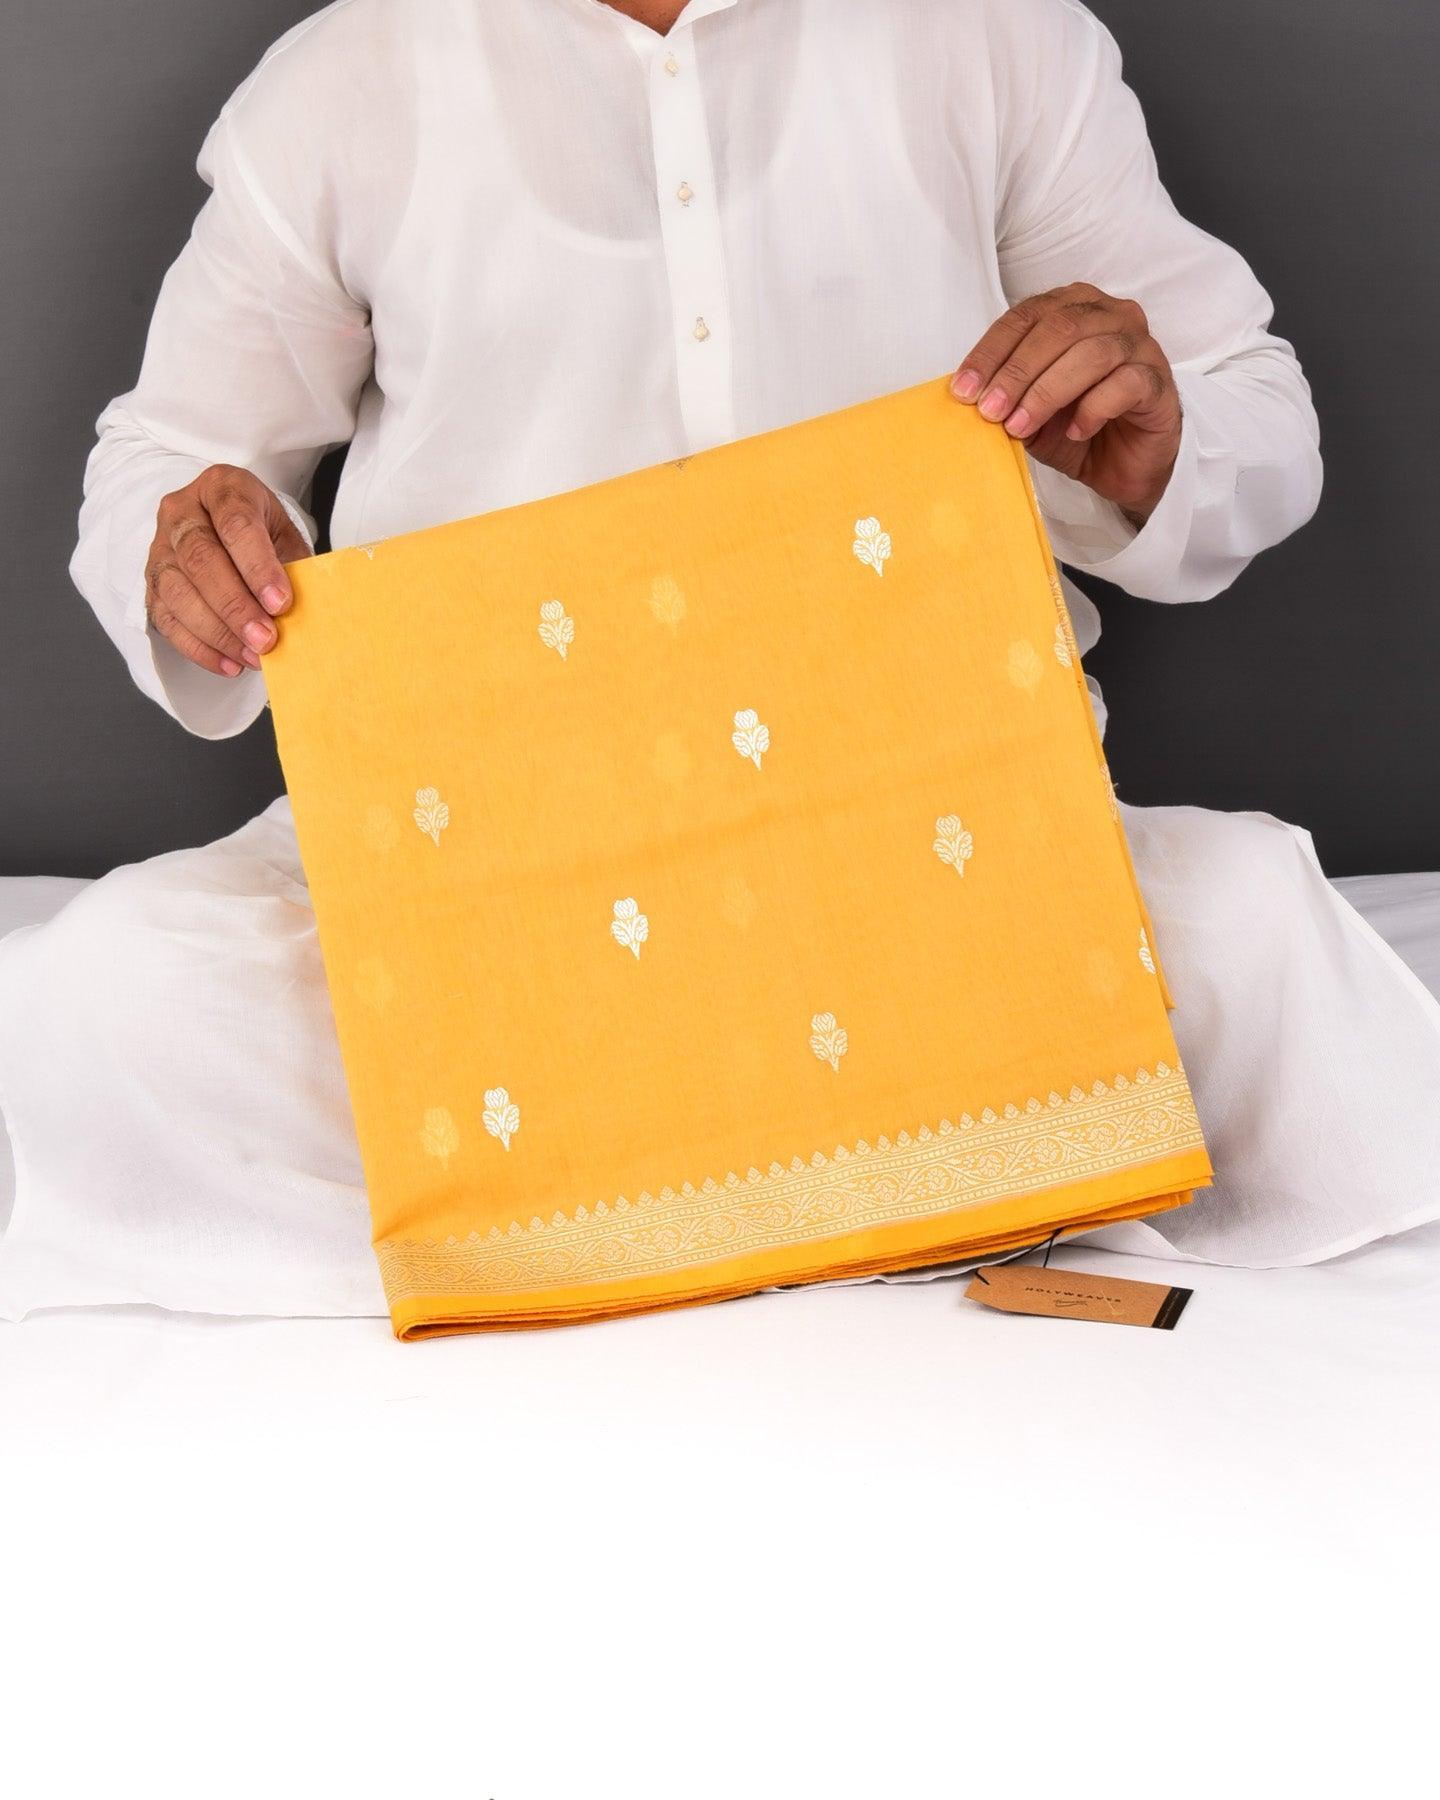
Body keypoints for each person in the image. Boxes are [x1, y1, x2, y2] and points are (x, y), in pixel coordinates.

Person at [3, 0, 1437, 1319]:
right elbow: (165, 453)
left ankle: (586, 1210)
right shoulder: (347, 76)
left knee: (1261, 926)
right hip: (488, 884)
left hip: (932, 848)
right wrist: (186, 550)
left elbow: (1250, 399)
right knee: (106, 992)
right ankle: (917, 1177)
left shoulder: (993, 34)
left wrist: (1161, 442)